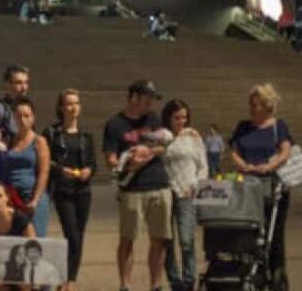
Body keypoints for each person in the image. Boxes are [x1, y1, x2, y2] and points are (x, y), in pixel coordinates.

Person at [103, 80, 174, 291]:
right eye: (147, 98)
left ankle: (156, 285)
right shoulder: (115, 124)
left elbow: (164, 146)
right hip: (132, 189)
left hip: (159, 185)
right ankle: (125, 285)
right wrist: (126, 163)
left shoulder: (152, 119)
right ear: (133, 97)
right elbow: (110, 158)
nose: (151, 103)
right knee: (127, 238)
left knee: (159, 239)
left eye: (153, 98)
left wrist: (148, 152)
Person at [229, 83, 293, 285]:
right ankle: (247, 270)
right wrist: (244, 166)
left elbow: (285, 151)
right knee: (246, 230)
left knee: (274, 234)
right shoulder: (243, 126)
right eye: (251, 104)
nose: (252, 108)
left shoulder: (278, 126)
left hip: (272, 184)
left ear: (267, 105)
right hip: (247, 184)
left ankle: (277, 275)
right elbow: (233, 152)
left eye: (256, 104)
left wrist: (269, 166)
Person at [42, 88, 95, 289]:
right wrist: (61, 170)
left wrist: (89, 170)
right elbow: (45, 160)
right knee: (71, 234)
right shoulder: (53, 133)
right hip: (63, 191)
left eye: (76, 103)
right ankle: (65, 278)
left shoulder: (86, 136)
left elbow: (92, 162)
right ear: (61, 107)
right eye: (69, 104)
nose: (73, 107)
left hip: (83, 191)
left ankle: (69, 280)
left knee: (78, 236)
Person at [161, 98, 206, 291]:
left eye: (184, 118)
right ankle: (174, 280)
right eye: (177, 118)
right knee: (167, 240)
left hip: (187, 192)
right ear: (168, 118)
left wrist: (195, 184)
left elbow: (203, 167)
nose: (181, 122)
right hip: (165, 192)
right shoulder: (161, 137)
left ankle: (189, 280)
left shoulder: (192, 138)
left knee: (187, 239)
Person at [3, 98, 50, 236]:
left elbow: (44, 172)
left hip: (32, 197)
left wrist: (35, 199)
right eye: (18, 116)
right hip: (12, 198)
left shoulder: (39, 141)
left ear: (33, 118)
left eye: (26, 116)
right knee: (14, 244)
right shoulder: (9, 141)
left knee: (35, 243)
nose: (22, 120)